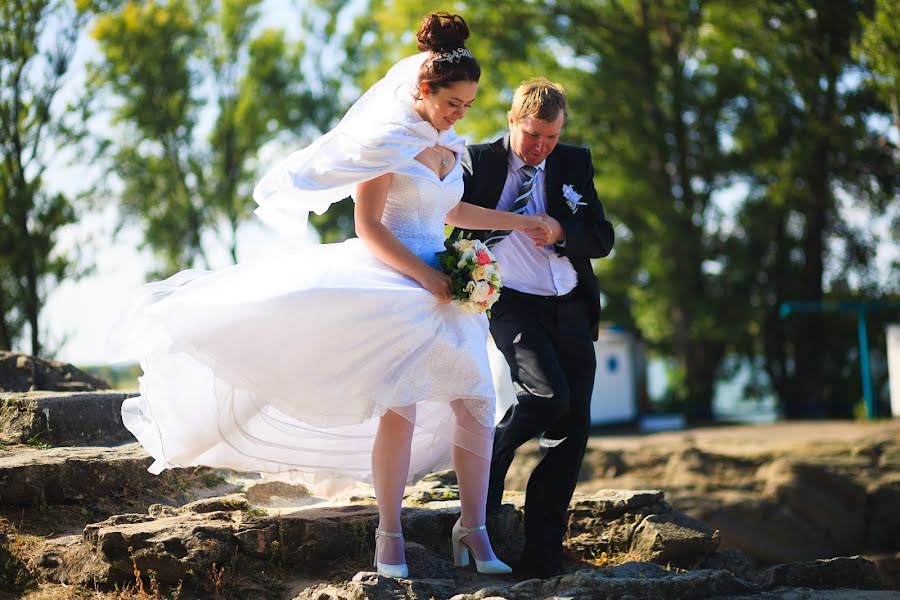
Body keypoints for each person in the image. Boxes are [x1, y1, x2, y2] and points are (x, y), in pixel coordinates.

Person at [121, 13, 550, 578]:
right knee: (401, 409)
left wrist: (514, 225)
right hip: (399, 284)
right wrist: (425, 278)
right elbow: (370, 227)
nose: (459, 115)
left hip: (450, 288)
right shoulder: (385, 144)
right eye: (453, 103)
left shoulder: (451, 144)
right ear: (425, 89)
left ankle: (474, 533)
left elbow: (447, 211)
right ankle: (389, 537)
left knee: (476, 404)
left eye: (468, 106)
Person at [457, 77, 615, 577]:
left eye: (551, 137)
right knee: (548, 397)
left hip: (569, 303)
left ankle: (542, 554)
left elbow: (602, 237)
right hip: (510, 302)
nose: (541, 148)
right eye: (532, 136)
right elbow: (446, 222)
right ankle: (491, 460)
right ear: (511, 120)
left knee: (571, 431)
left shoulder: (574, 163)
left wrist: (563, 230)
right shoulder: (478, 162)